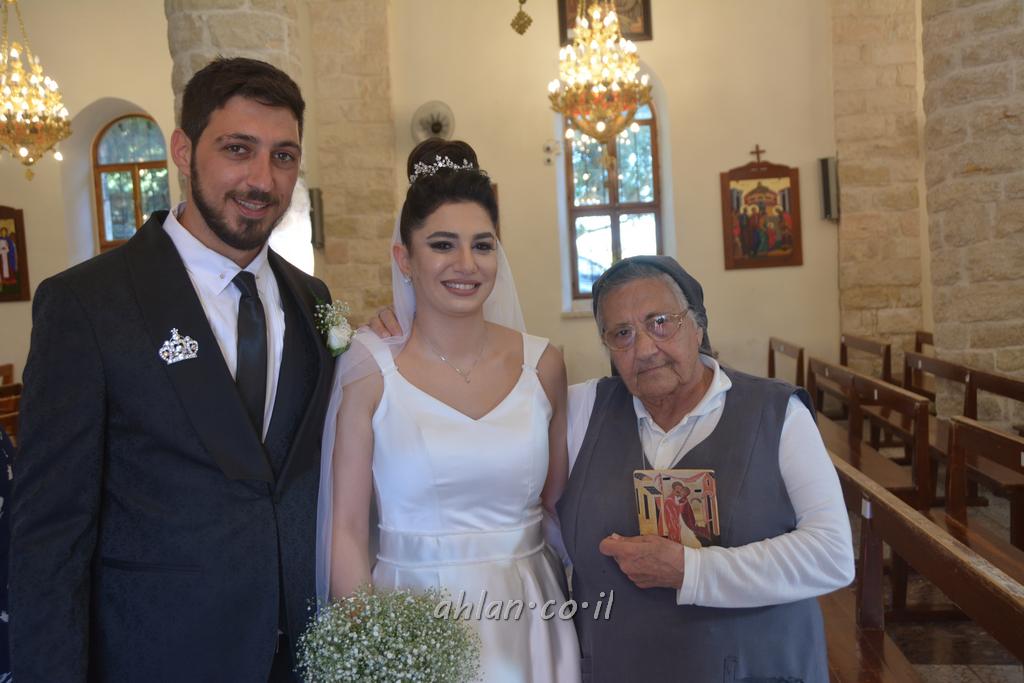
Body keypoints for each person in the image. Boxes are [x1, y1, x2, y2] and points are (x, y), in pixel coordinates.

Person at [10, 58, 335, 682]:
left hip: (299, 656)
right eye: (237, 149)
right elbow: (49, 534)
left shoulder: (314, 301)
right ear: (183, 151)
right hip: (158, 655)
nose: (262, 179)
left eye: (284, 156)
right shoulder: (88, 304)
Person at [320, 138, 580, 682]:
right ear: (405, 259)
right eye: (442, 245)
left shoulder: (544, 365)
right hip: (411, 618)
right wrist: (367, 649)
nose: (466, 264)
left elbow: (556, 502)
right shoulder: (370, 369)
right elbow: (346, 530)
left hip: (529, 615)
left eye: (482, 245)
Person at [559, 255, 854, 682]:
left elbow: (832, 555)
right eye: (622, 333)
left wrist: (691, 571)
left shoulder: (776, 414)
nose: (645, 349)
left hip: (755, 669)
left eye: (661, 322)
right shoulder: (583, 410)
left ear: (697, 325)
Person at [661, 482, 699, 548]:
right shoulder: (669, 500)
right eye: (677, 488)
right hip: (674, 521)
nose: (679, 490)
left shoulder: (683, 498)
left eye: (681, 488)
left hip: (683, 520)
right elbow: (670, 512)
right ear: (673, 489)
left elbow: (688, 510)